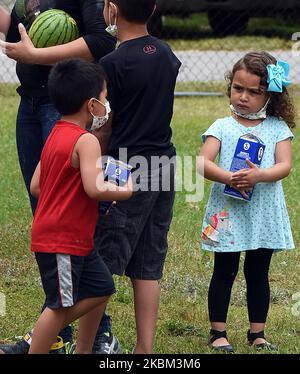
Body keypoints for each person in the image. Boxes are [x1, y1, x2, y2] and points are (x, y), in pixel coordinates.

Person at [0, 1, 120, 354]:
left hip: (62, 106)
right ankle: (54, 328)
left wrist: (35, 56)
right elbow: (16, 36)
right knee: (49, 214)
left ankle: (94, 333)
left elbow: (101, 40)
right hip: (32, 102)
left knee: (76, 216)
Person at [90, 0, 181, 354]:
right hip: (166, 163)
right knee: (148, 262)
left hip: (125, 168)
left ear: (111, 8)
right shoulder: (166, 53)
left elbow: (105, 126)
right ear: (154, 6)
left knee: (103, 260)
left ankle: (87, 345)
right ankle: (145, 349)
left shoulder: (111, 63)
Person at [199, 52, 295, 353]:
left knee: (258, 272)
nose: (244, 97)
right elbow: (203, 163)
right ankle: (218, 332)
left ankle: (258, 333)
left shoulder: (277, 127)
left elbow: (285, 166)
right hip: (228, 213)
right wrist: (228, 177)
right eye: (238, 88)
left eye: (254, 92)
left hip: (262, 213)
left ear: (270, 95)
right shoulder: (222, 127)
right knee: (224, 271)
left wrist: (260, 175)